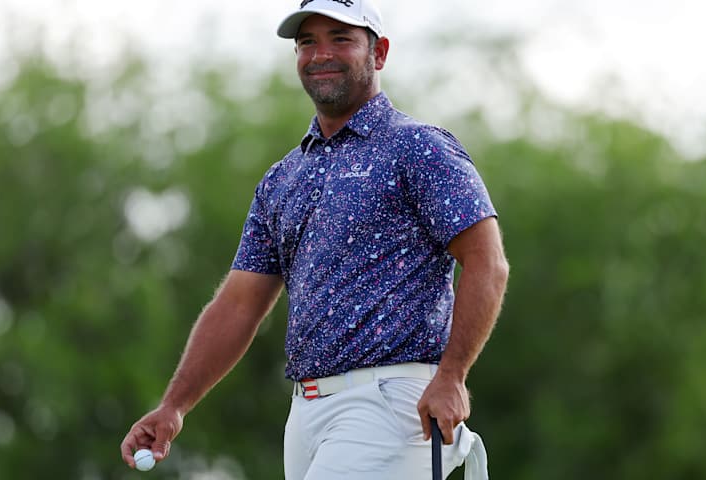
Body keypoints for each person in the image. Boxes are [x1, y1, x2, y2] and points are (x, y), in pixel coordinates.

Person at [120, 0, 509, 478]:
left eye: (340, 39)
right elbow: (240, 303)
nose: (320, 53)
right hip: (305, 413)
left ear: (379, 52)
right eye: (308, 42)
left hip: (392, 402)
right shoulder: (283, 178)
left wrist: (453, 376)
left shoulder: (419, 147)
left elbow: (486, 261)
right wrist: (174, 406)